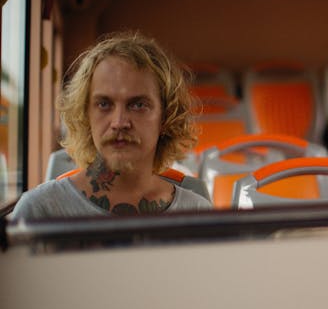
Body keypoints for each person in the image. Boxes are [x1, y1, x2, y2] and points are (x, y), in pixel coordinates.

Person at [10, 32, 212, 220]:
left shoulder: (198, 214)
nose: (119, 122)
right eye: (104, 104)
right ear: (85, 115)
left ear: (166, 117)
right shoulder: (39, 212)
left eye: (138, 105)